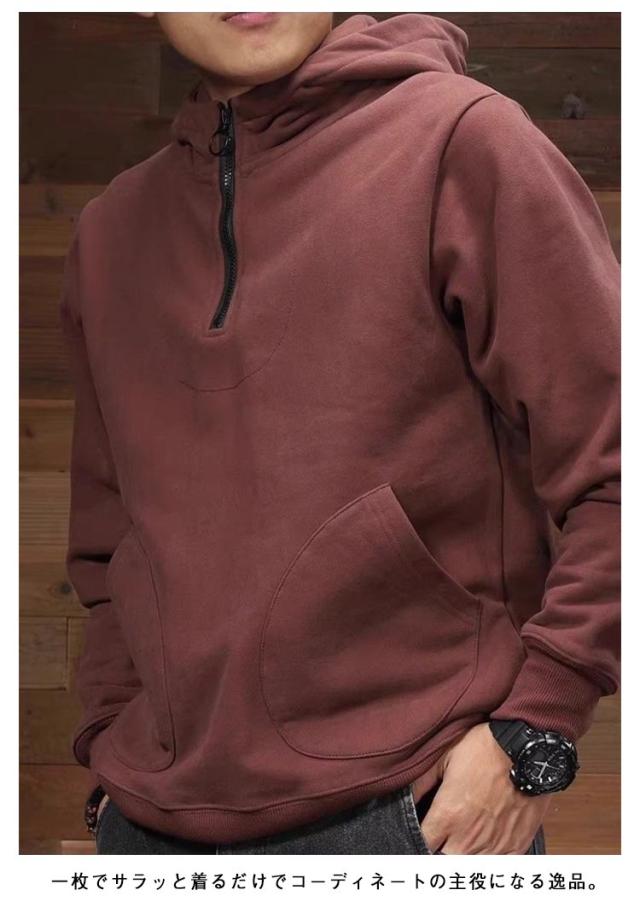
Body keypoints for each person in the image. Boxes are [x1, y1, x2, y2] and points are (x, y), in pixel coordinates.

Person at [60, 11, 620, 855]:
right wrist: (112, 747)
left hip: (413, 813)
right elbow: (108, 544)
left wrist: (535, 727)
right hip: (151, 829)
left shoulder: (464, 143)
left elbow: (616, 463)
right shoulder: (109, 232)